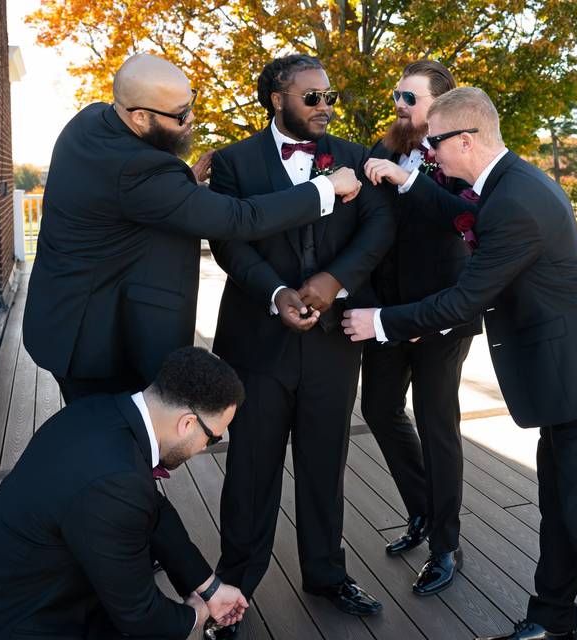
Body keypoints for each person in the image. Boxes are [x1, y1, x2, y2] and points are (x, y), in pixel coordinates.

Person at [345, 88, 577, 640]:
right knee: (560, 509)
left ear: (465, 140)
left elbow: (466, 298)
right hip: (561, 375)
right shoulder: (504, 185)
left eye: (435, 142)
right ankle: (551, 623)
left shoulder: (515, 200)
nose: (429, 151)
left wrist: (382, 322)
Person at [23, 53, 364, 404]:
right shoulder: (137, 171)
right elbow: (238, 218)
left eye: (192, 102)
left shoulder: (92, 119)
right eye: (181, 114)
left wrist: (183, 183)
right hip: (95, 341)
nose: (192, 119)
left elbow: (132, 194)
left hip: (64, 315)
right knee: (114, 443)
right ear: (140, 116)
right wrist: (325, 188)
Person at [206, 54, 395, 638]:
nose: (325, 107)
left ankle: (326, 572)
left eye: (330, 97)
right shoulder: (235, 163)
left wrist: (330, 284)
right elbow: (230, 242)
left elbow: (378, 229)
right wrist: (278, 292)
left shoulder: (357, 158)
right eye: (311, 98)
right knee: (251, 467)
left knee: (324, 462)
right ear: (277, 100)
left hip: (334, 342)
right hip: (258, 340)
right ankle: (235, 584)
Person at [0, 347, 249, 639]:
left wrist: (210, 587)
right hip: (9, 623)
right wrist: (197, 613)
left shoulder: (100, 413)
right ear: (187, 424)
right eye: (213, 438)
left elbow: (155, 510)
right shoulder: (115, 482)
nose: (207, 447)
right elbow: (140, 616)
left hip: (7, 597)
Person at [359, 60, 481, 595]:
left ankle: (446, 544)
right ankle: (422, 511)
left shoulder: (460, 157)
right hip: (386, 311)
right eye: (397, 97)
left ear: (442, 106)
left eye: (410, 98)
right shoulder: (385, 150)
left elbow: (465, 218)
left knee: (437, 425)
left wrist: (410, 181)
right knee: (379, 409)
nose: (400, 107)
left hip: (441, 314)